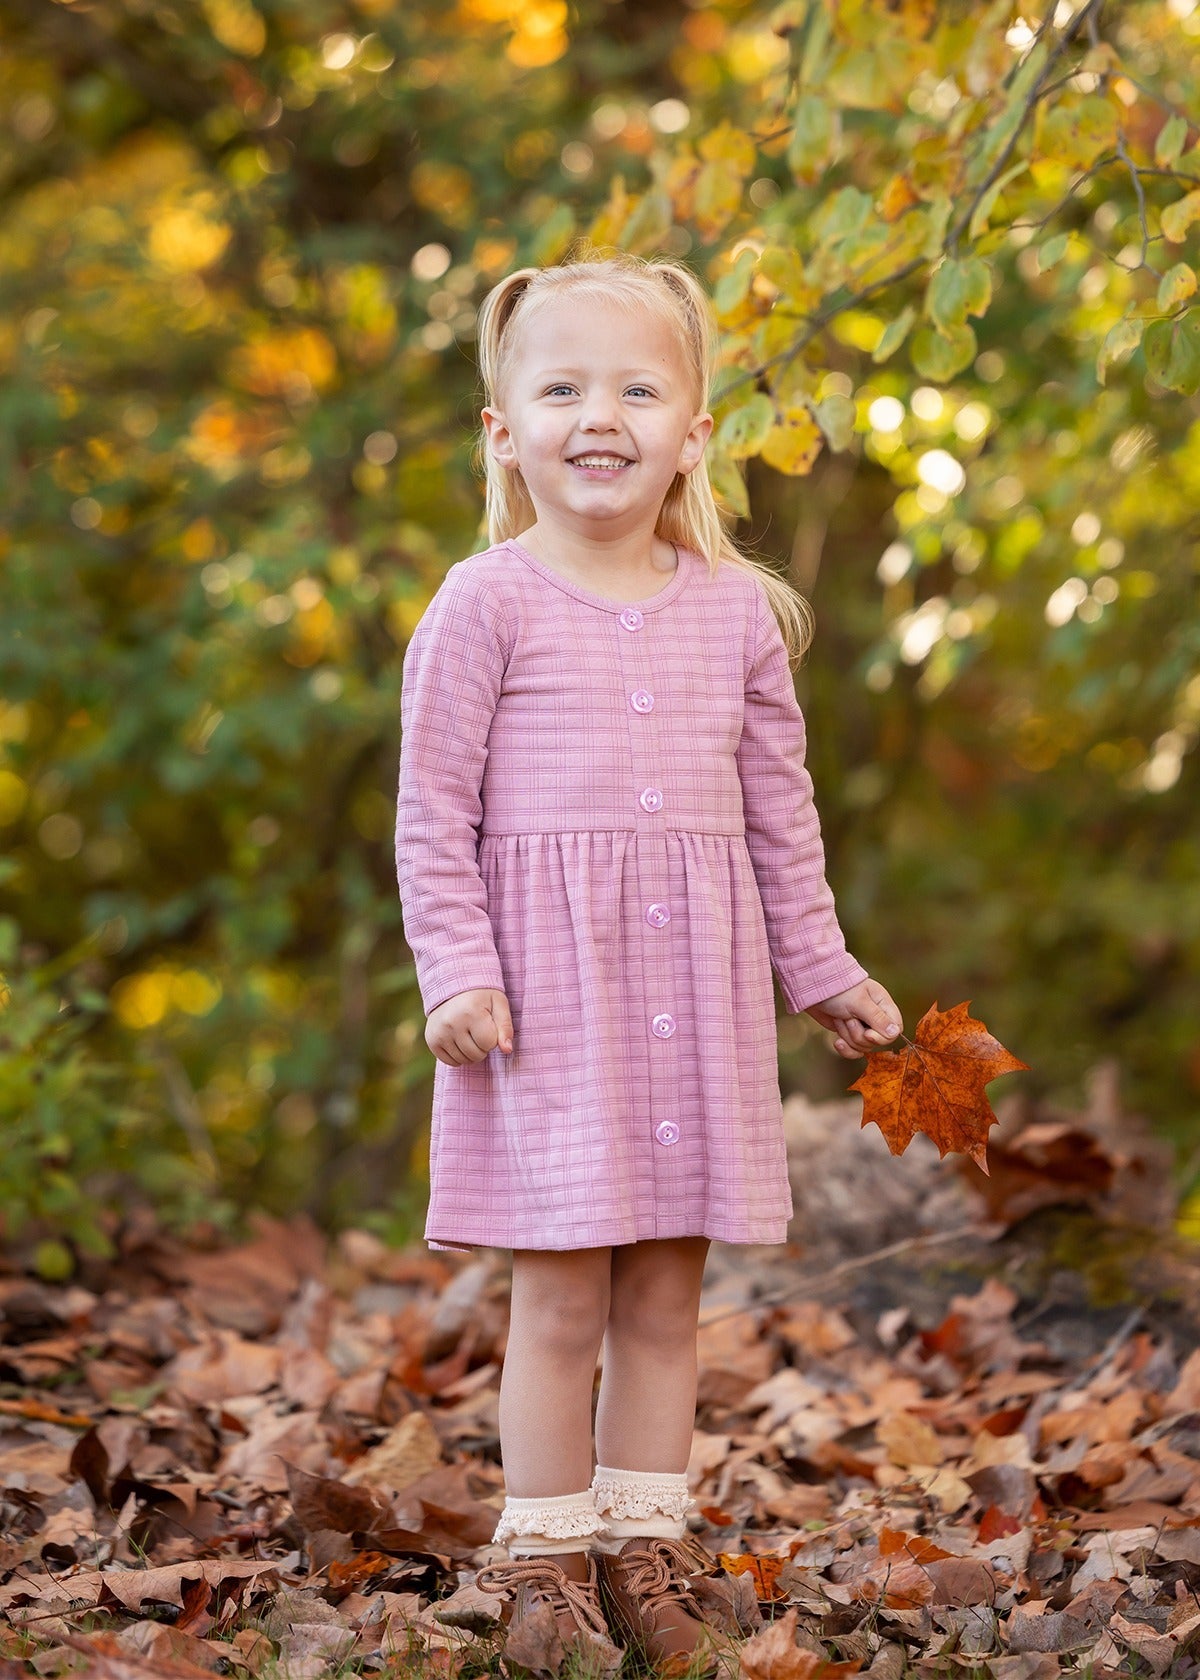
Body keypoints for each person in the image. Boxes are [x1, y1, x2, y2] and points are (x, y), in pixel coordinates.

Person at [395, 248, 902, 1674]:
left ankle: (644, 1547)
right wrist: (457, 972)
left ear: (693, 430)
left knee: (668, 1293)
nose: (597, 415)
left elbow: (778, 816)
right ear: (506, 433)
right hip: (547, 1007)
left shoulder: (737, 612)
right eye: (559, 388)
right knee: (560, 1295)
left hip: (694, 996)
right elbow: (433, 814)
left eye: (635, 386)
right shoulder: (483, 602)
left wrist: (824, 969)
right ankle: (546, 1565)